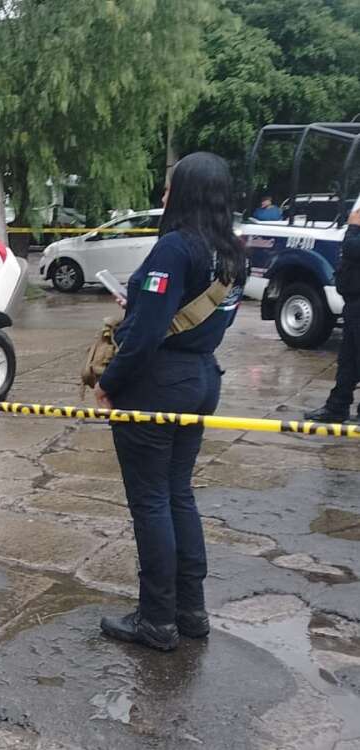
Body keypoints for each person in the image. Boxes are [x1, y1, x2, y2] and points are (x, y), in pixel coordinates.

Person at [92, 152, 248, 652]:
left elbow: (143, 339)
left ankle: (156, 619)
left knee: (152, 501)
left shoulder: (175, 248)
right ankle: (190, 611)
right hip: (201, 378)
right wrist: (141, 304)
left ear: (186, 193)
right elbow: (201, 317)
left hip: (158, 385)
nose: (163, 196)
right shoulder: (231, 253)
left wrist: (108, 382)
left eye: (169, 187)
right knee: (178, 493)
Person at [303, 207, 360, 423]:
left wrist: (353, 227)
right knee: (348, 360)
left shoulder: (356, 229)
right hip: (353, 300)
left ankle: (338, 406)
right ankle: (337, 407)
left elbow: (354, 248)